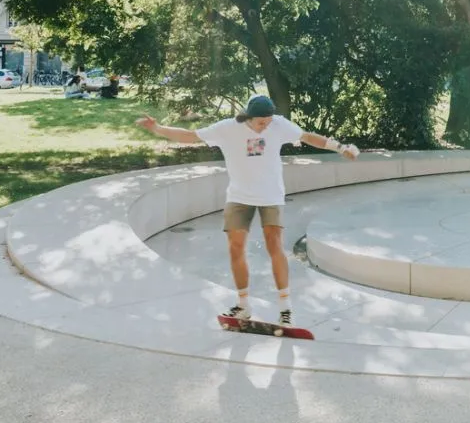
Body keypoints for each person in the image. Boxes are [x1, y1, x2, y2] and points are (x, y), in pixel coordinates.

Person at [136, 95, 358, 326]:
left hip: (270, 195)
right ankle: (243, 305)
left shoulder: (279, 124)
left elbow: (307, 137)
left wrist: (340, 148)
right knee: (235, 247)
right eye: (261, 122)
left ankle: (285, 308)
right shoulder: (227, 128)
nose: (266, 126)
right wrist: (157, 128)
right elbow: (191, 136)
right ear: (248, 118)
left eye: (269, 121)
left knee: (274, 245)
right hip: (239, 197)